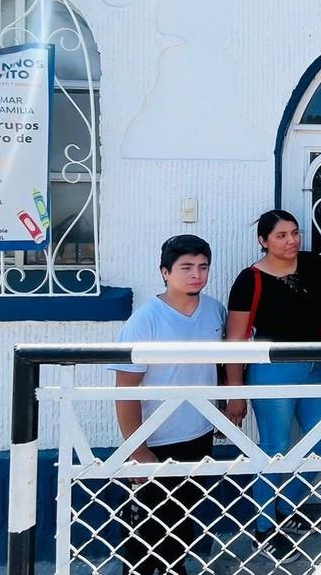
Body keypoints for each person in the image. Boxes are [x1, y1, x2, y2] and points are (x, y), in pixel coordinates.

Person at [109, 235, 227, 575]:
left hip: (198, 434)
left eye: (203, 267)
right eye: (186, 267)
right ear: (165, 272)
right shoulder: (146, 320)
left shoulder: (214, 310)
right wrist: (138, 449)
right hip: (155, 441)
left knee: (184, 518)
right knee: (147, 525)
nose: (196, 274)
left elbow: (215, 366)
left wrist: (218, 412)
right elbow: (125, 388)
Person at [223, 210, 321, 562]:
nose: (291, 241)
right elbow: (236, 338)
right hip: (272, 371)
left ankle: (286, 508)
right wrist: (236, 392)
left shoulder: (317, 266)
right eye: (281, 235)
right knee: (274, 447)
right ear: (263, 240)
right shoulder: (250, 280)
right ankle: (264, 527)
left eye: (295, 233)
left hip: (314, 366)